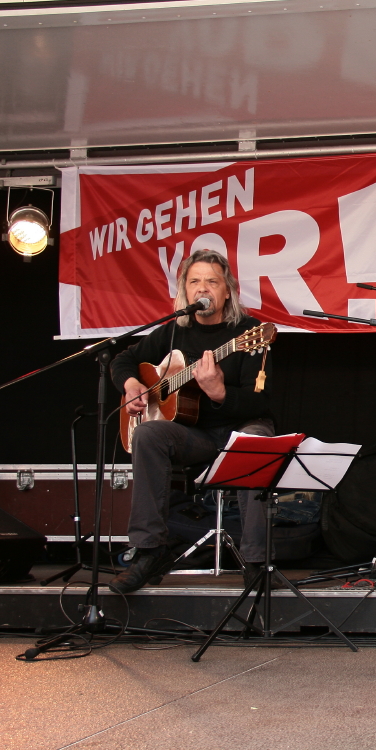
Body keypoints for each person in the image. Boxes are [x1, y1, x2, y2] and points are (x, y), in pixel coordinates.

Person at [109, 250, 276, 594]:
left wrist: (218, 392)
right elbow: (124, 359)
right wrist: (131, 384)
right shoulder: (174, 333)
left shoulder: (250, 333)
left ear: (227, 291)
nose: (203, 288)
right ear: (184, 290)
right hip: (195, 435)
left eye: (212, 282)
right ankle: (150, 551)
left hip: (241, 429)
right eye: (195, 281)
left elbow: (259, 400)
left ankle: (257, 562)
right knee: (148, 434)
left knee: (255, 441)